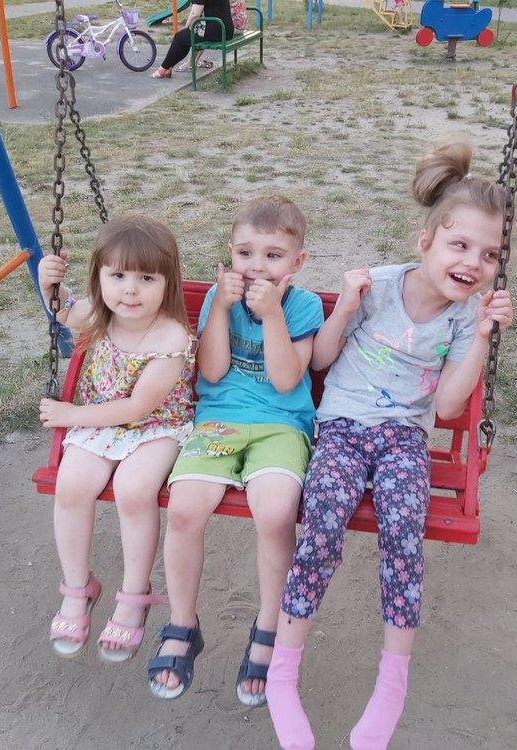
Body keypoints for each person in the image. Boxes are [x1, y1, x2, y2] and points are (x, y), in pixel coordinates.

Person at [264, 141, 516, 749]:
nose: (473, 263)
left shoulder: (465, 317)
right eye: (460, 245)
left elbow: (448, 406)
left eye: (490, 255)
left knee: (404, 534)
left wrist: (484, 336)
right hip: (342, 427)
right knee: (321, 524)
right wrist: (345, 306)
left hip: (404, 437)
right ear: (425, 241)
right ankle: (282, 672)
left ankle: (391, 683)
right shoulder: (376, 286)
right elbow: (320, 360)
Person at [147, 196, 324, 704]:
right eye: (245, 253)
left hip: (280, 426)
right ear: (230, 253)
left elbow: (287, 379)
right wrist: (221, 309)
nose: (257, 267)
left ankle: (269, 626)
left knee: (276, 513)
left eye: (273, 256)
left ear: (297, 262)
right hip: (219, 420)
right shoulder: (217, 299)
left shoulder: (304, 307)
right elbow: (211, 371)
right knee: (184, 510)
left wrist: (271, 316)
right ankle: (182, 624)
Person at [37, 214, 195, 663]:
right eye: (118, 276)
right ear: (99, 277)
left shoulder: (171, 336)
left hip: (156, 427)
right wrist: (49, 283)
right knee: (71, 486)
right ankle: (77, 588)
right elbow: (62, 311)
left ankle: (134, 594)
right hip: (99, 423)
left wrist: (71, 415)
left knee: (134, 489)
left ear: (167, 282)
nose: (130, 290)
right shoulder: (99, 315)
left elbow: (139, 407)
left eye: (146, 278)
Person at [151, 0, 234, 79]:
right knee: (184, 37)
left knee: (180, 37)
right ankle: (168, 68)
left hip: (215, 30)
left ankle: (163, 69)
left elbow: (195, 14)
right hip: (226, 29)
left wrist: (186, 27)